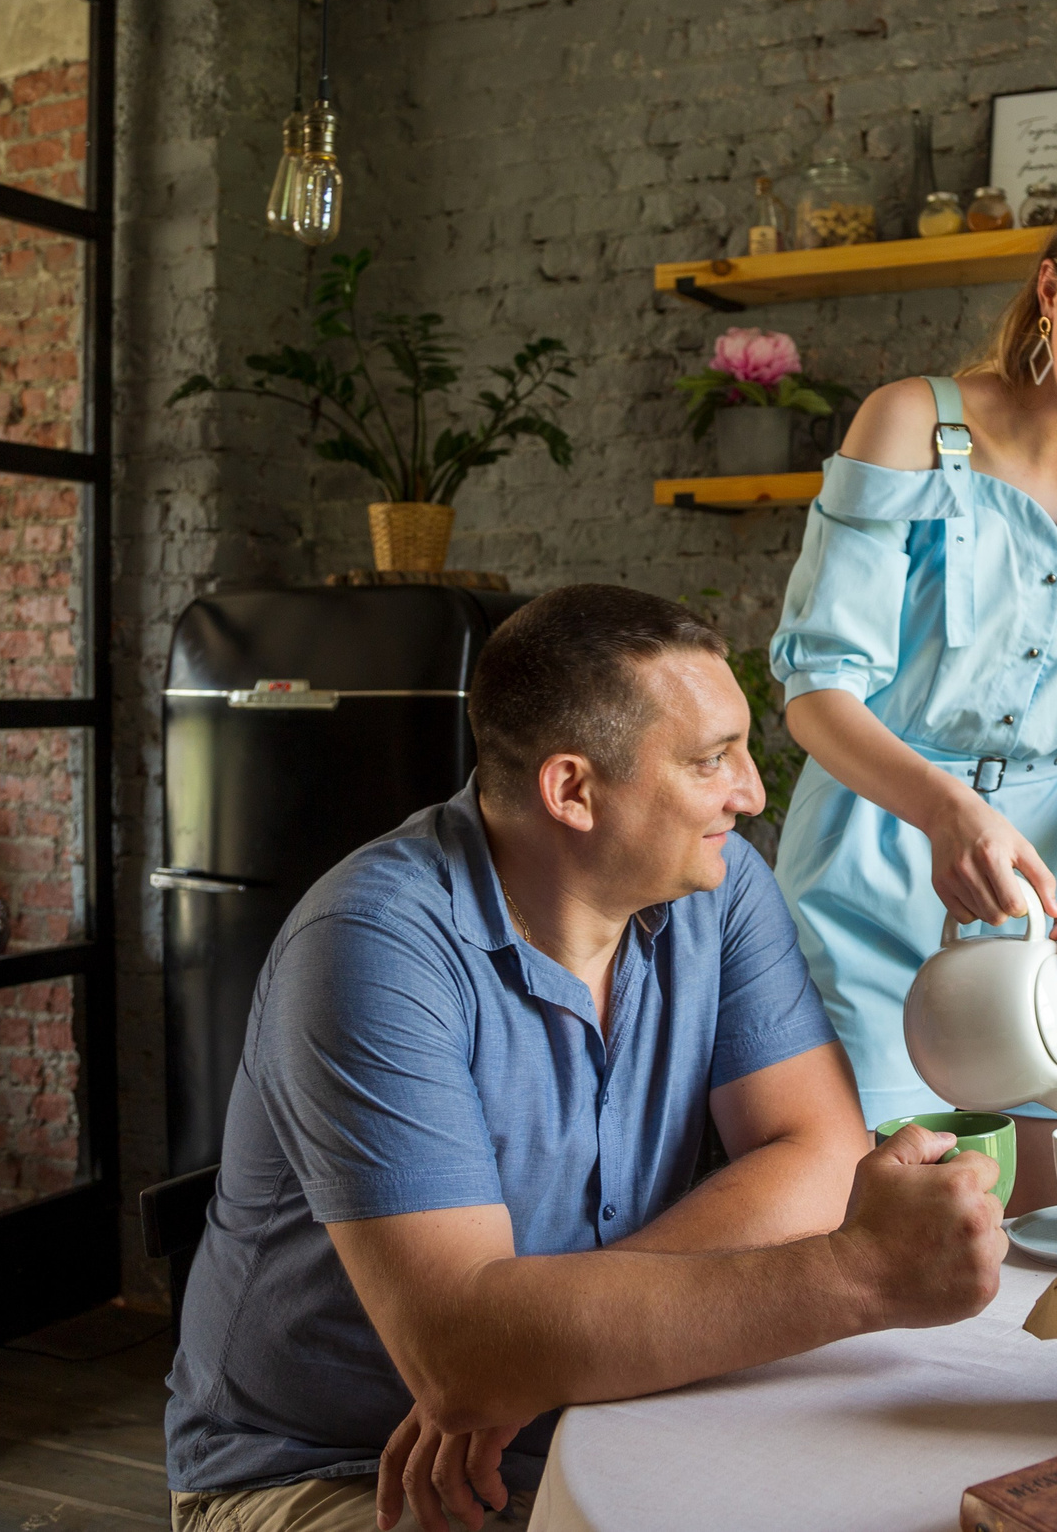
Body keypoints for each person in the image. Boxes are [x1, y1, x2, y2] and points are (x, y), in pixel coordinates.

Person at [162, 586, 1007, 1532]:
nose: (753, 791)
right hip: (347, 1470)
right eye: (710, 759)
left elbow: (816, 1155)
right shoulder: (370, 941)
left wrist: (536, 1345)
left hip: (604, 1408)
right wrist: (861, 1275)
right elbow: (460, 1349)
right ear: (572, 790)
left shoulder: (719, 889)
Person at [768, 170, 1057, 1213]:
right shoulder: (908, 425)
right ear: (1048, 293)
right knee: (877, 1209)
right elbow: (814, 690)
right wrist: (946, 809)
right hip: (878, 850)